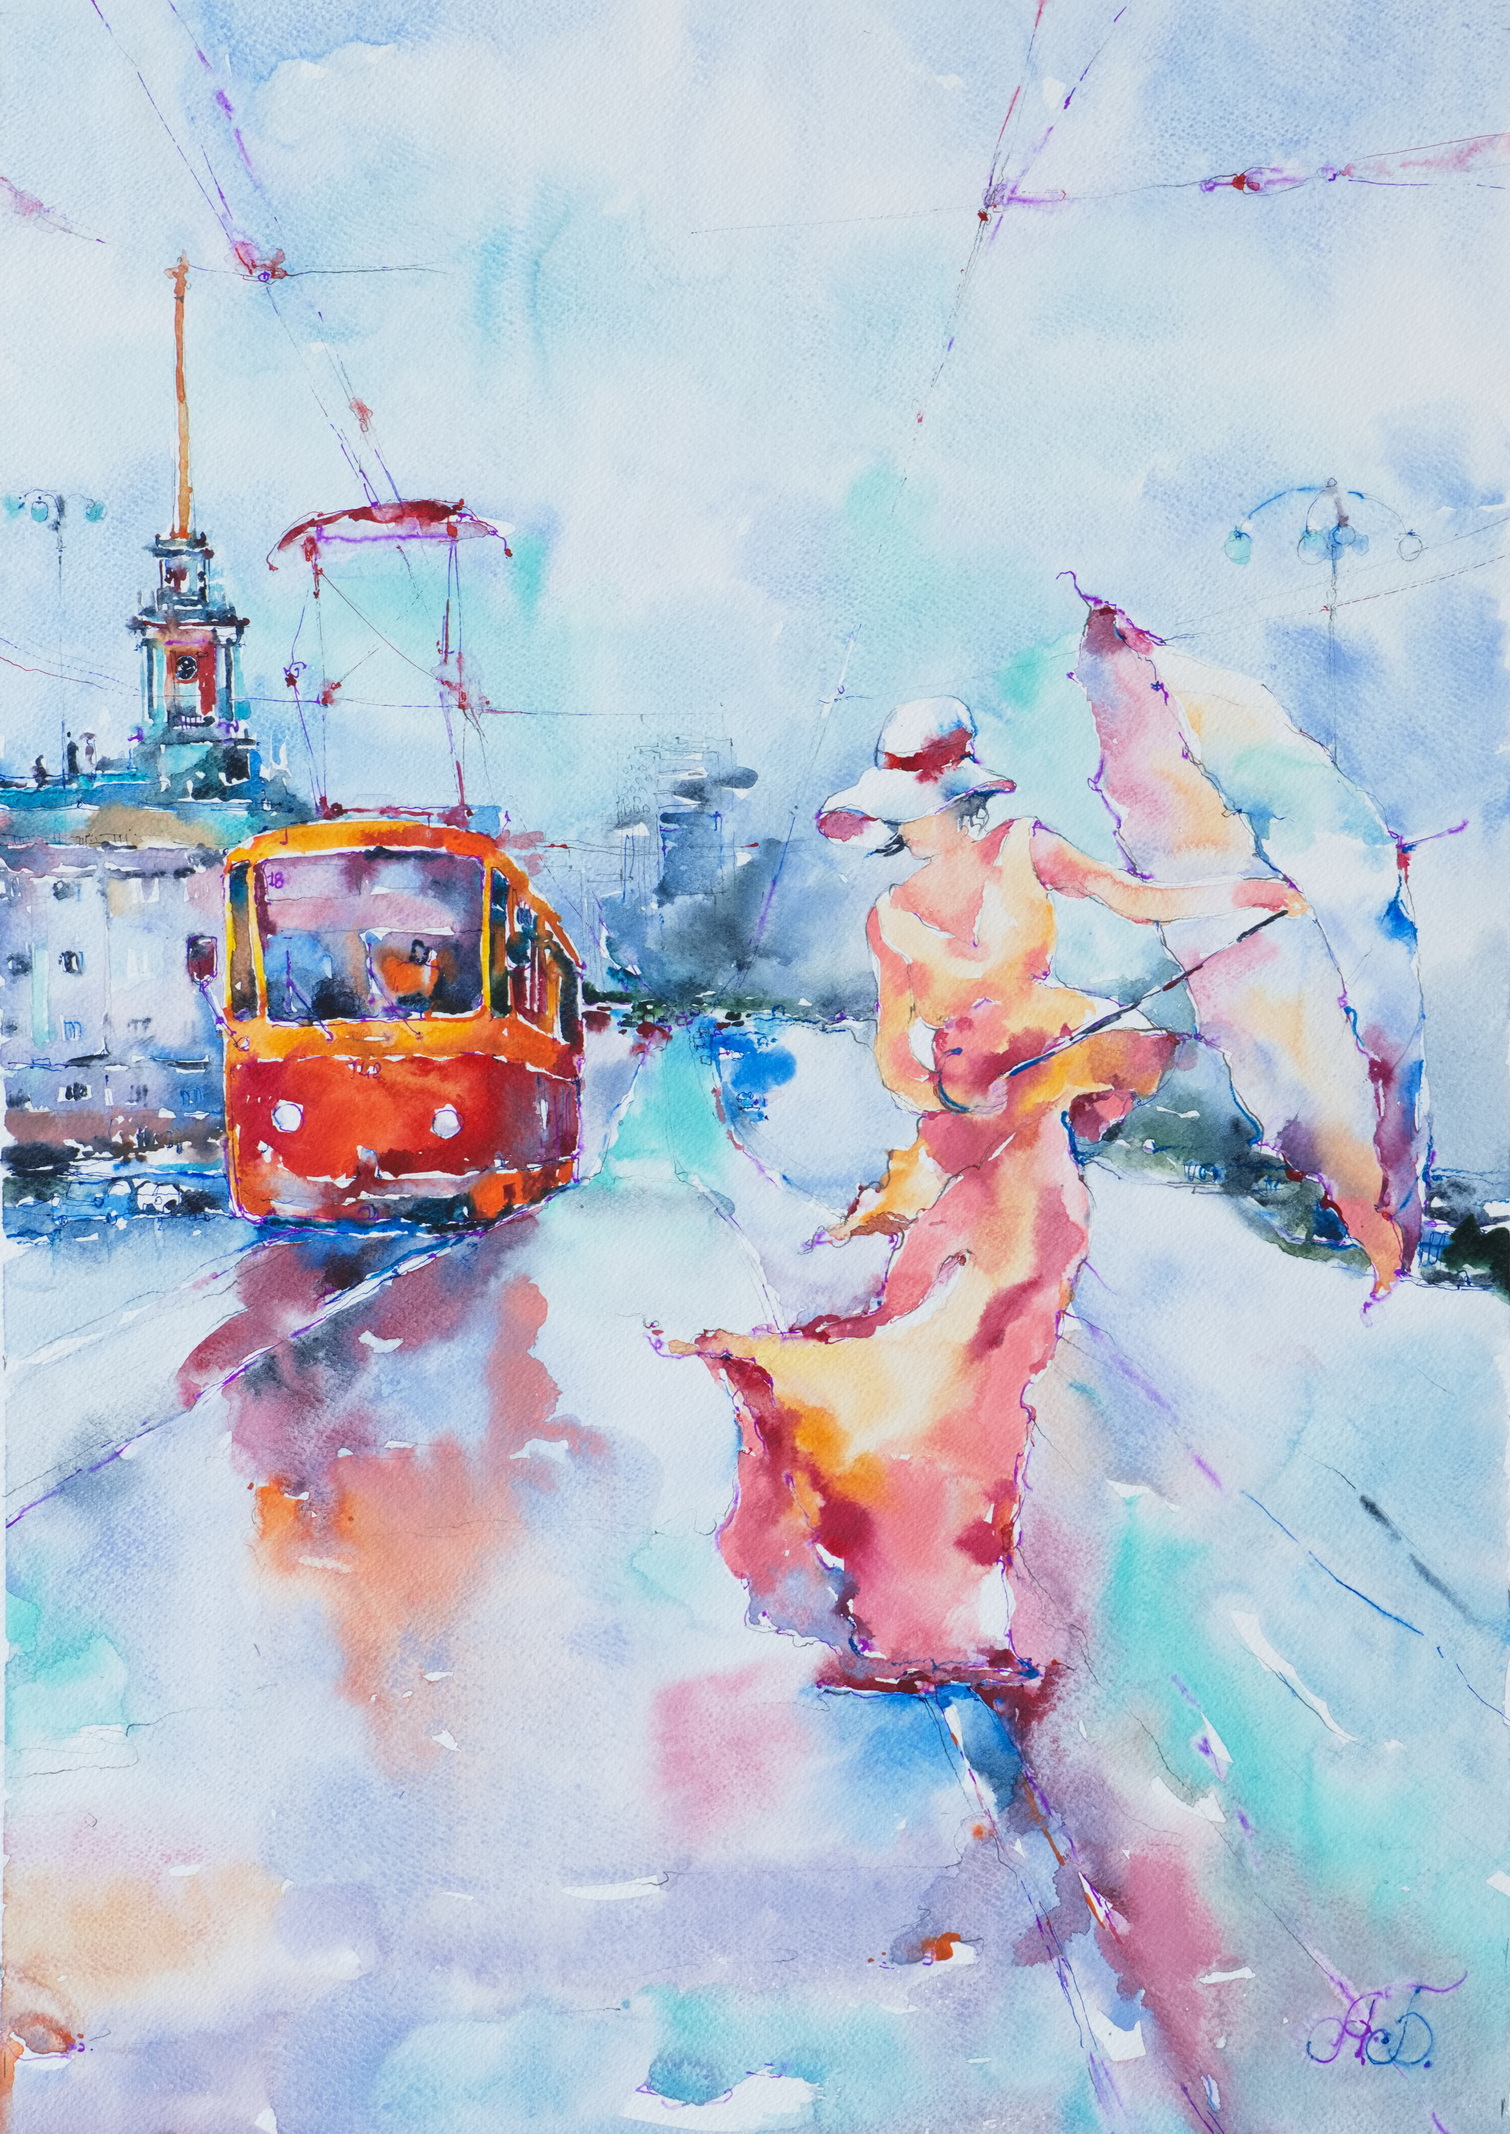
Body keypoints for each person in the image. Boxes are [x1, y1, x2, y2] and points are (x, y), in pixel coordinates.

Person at [675, 698, 1302, 1694]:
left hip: (1038, 1149)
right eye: (898, 810)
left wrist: (1252, 890)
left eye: (914, 804)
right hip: (967, 1147)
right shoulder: (890, 918)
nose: (907, 825)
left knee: (989, 1383)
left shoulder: (1025, 849)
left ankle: (945, 1617)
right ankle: (914, 1610)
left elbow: (1136, 901)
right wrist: (944, 1088)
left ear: (952, 796)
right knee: (936, 1361)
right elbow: (893, 1050)